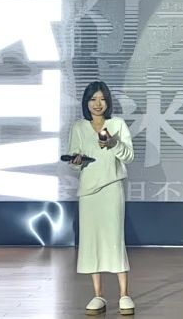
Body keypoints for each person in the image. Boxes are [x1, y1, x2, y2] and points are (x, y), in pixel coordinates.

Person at [69, 81, 135, 316]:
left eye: (102, 99)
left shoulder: (117, 124)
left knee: (114, 239)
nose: (97, 104)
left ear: (108, 102)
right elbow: (75, 163)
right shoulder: (79, 127)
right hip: (88, 192)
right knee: (92, 242)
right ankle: (98, 295)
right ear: (86, 103)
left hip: (111, 188)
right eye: (93, 99)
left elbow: (129, 156)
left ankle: (124, 294)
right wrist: (76, 160)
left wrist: (113, 143)